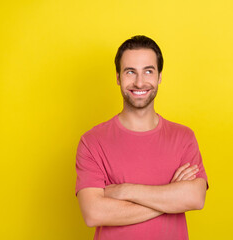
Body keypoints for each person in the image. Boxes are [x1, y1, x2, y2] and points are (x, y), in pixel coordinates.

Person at [75, 35, 209, 240]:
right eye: (130, 72)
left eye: (148, 71)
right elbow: (94, 213)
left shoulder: (183, 137)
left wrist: (124, 190)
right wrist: (171, 197)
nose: (139, 82)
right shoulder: (92, 141)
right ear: (118, 77)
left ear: (159, 77)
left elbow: (195, 198)